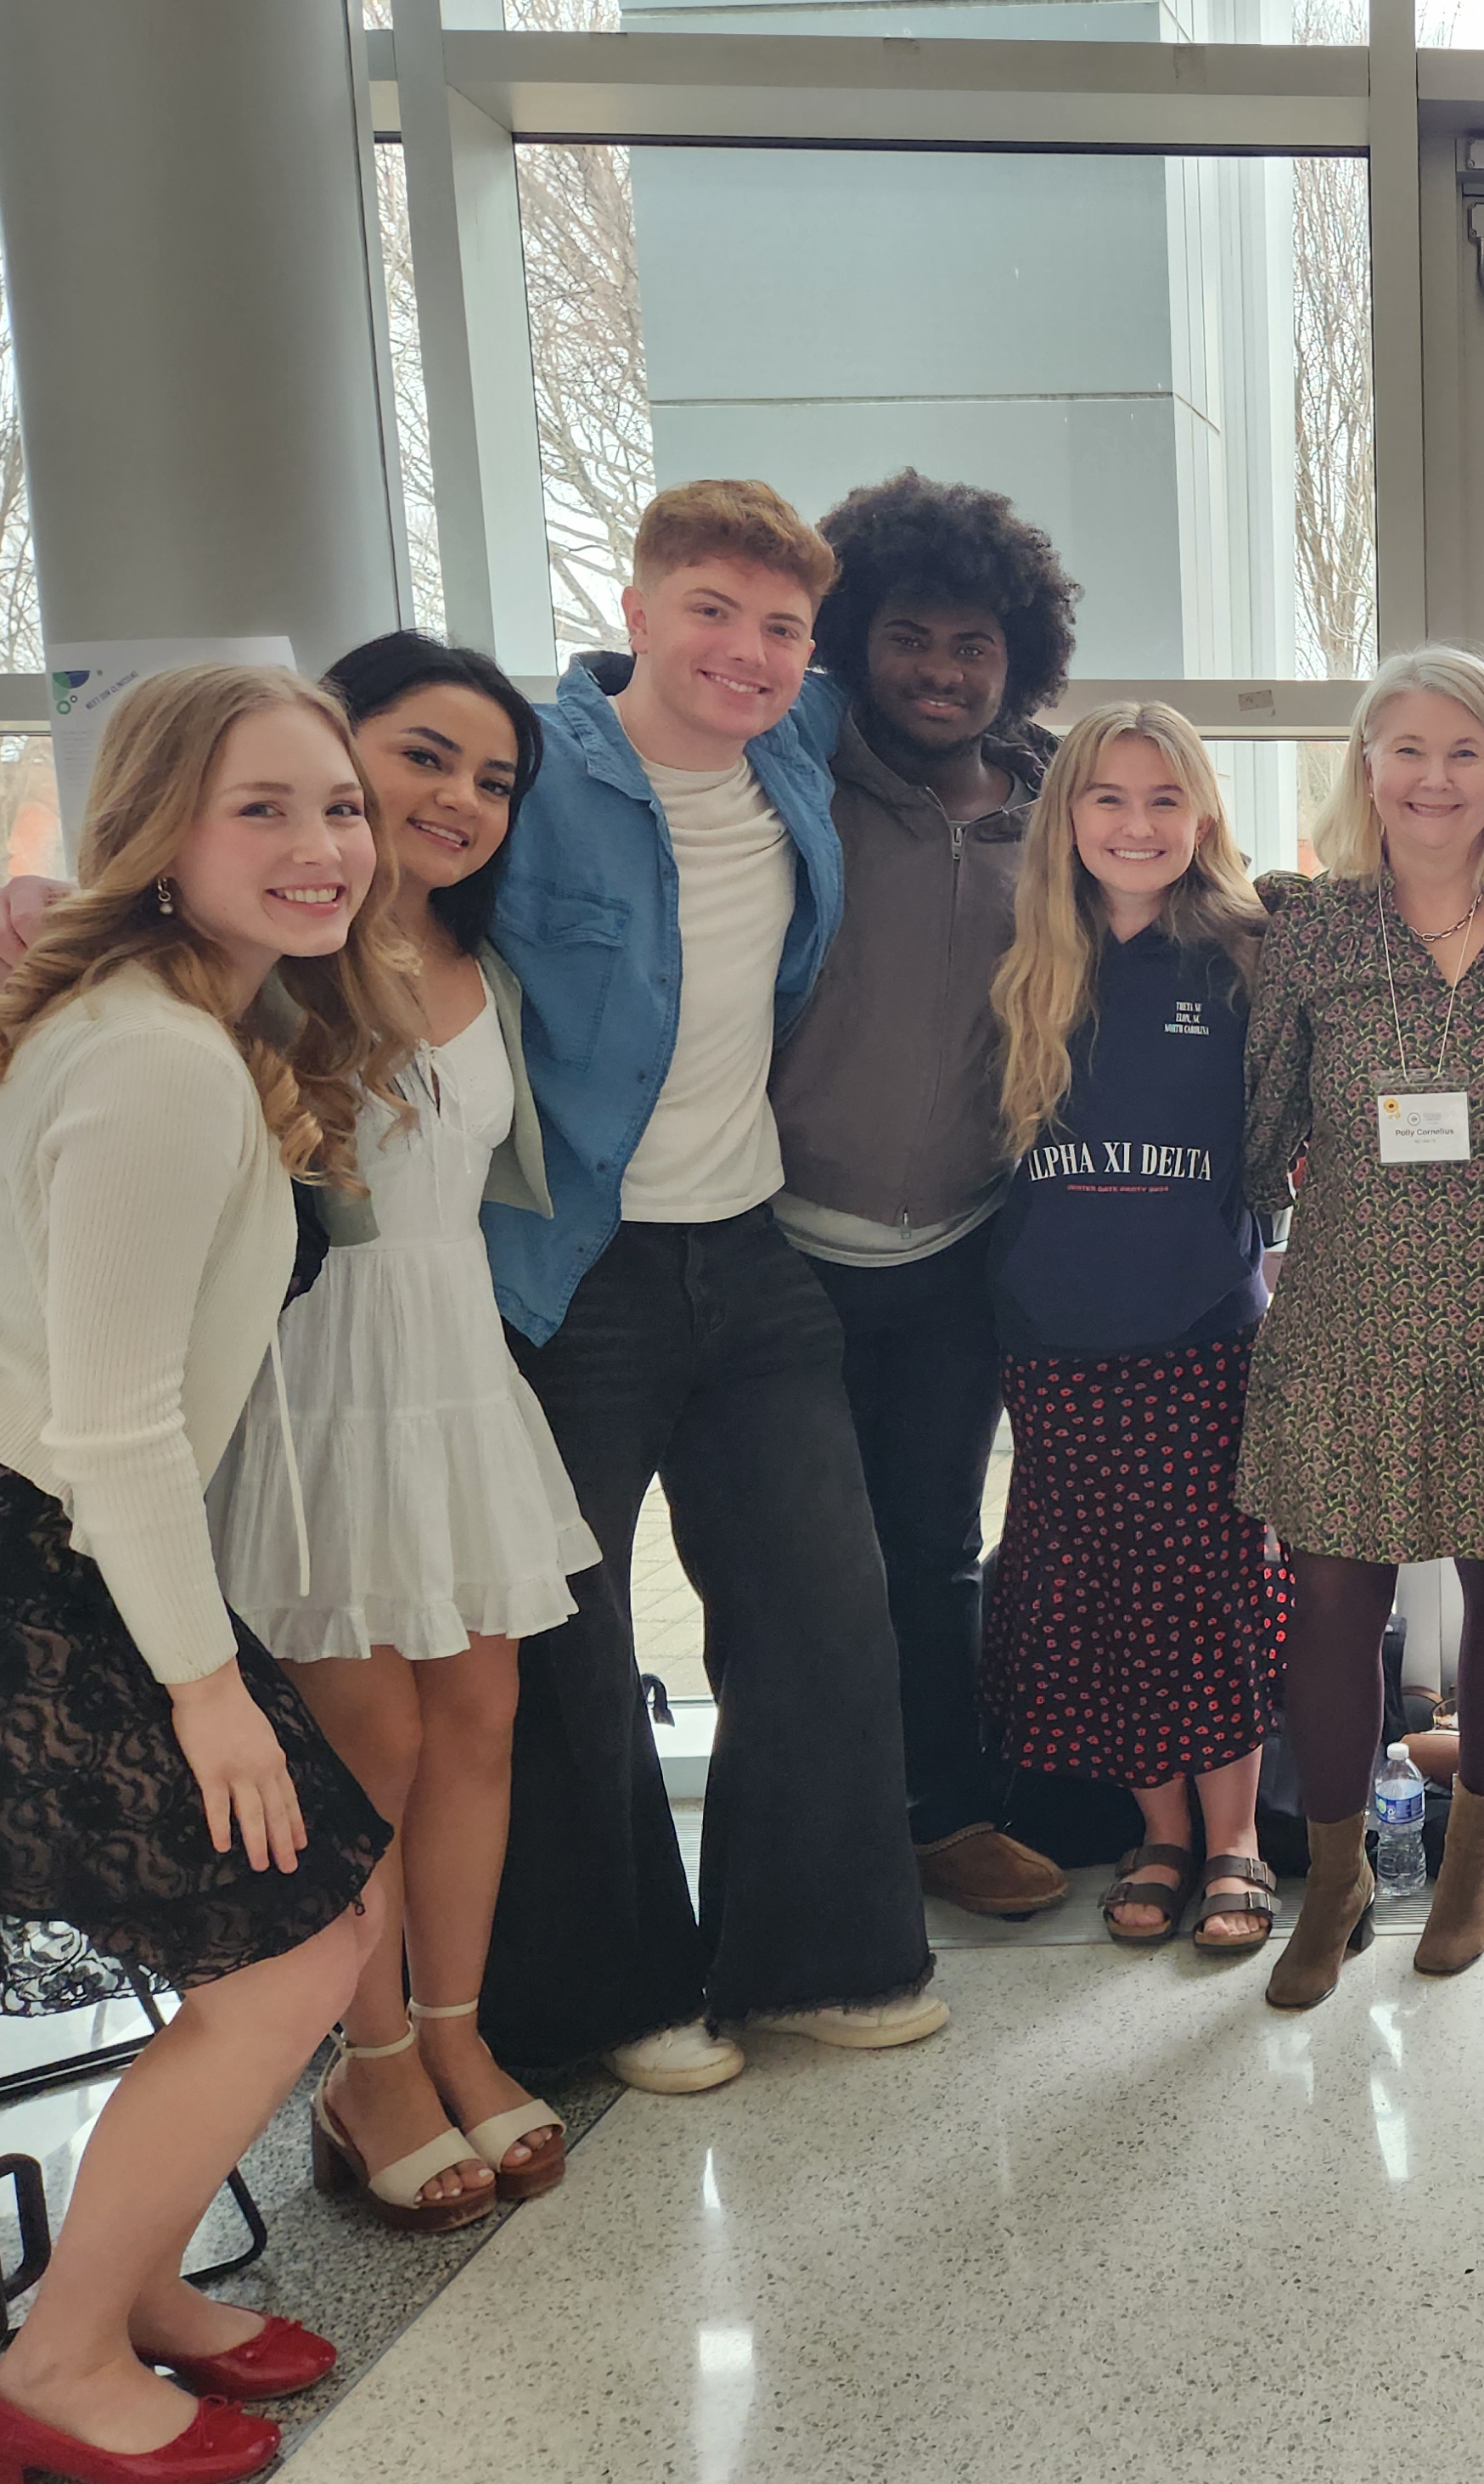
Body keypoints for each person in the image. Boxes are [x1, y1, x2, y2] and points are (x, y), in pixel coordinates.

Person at [0, 635, 597, 2227]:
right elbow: (72, 1190)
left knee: (480, 1721)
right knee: (369, 1747)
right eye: (415, 759)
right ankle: (372, 2062)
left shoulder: (478, 969)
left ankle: (455, 2034)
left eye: (492, 777)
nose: (451, 799)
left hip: (455, 1370)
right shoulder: (240, 971)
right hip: (299, 1387)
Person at [0, 666, 399, 2484]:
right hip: (16, 1554)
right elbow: (120, 1416)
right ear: (160, 835)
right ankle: (56, 2365)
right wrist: (206, 1690)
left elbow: (41, 1295)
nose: (322, 846)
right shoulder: (158, 1054)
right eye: (262, 809)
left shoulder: (173, 1017)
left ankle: (128, 2286)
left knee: (312, 1930)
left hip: (24, 1531)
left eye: (338, 806)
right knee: (294, 1949)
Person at [477, 481, 940, 2090]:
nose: (748, 652)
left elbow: (969, 724)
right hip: (573, 1268)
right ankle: (614, 1998)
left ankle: (812, 1957)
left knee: (825, 1609)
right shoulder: (531, 773)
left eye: (780, 627)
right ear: (637, 610)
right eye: (712, 614)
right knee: (573, 1637)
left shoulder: (797, 743)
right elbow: (337, 849)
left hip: (749, 1246)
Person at [1244, 646, 1484, 2010]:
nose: (1434, 778)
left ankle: (1473, 1851)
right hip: (1350, 1315)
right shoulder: (1313, 924)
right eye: (1407, 750)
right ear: (1366, 767)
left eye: (1465, 751)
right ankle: (1334, 1881)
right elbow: (1260, 1126)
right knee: (1336, 1601)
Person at [777, 472, 1080, 1919]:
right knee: (793, 1567)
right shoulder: (794, 780)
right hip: (780, 1245)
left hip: (965, 1248)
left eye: (973, 645)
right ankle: (806, 1845)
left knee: (935, 1547)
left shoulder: (1054, 813)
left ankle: (944, 1816)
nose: (941, 670)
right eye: (909, 637)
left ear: (1018, 660)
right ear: (856, 638)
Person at [976, 703, 1289, 1952]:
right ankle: (1158, 1832)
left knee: (1210, 1582)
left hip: (1200, 1331)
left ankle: (1237, 1836)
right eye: (1108, 797)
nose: (1137, 823)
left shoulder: (1250, 954)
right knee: (1101, 1590)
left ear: (1202, 817)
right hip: (1053, 1338)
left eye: (1165, 799)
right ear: (1067, 816)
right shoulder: (1019, 960)